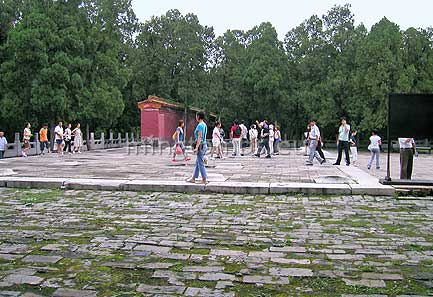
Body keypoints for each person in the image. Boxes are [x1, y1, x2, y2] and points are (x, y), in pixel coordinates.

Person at [187, 111, 208, 184]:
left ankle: (204, 178)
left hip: (201, 146)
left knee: (200, 163)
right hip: (204, 144)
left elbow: (199, 137)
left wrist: (196, 147)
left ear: (198, 116)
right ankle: (193, 178)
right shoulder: (204, 124)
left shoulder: (200, 125)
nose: (196, 117)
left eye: (196, 116)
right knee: (198, 162)